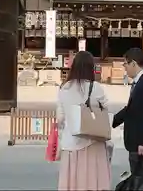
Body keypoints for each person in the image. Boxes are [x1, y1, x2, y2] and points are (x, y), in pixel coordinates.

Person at [56, 51, 111, 191]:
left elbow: (60, 118)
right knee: (93, 182)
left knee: (73, 183)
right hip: (93, 141)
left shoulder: (64, 88)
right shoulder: (95, 87)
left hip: (70, 143)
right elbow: (105, 110)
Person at [113, 47, 143, 177]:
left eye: (125, 64)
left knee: (141, 180)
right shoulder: (141, 81)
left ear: (133, 63)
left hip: (141, 142)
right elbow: (131, 109)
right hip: (136, 141)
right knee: (138, 179)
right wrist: (112, 120)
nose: (125, 68)